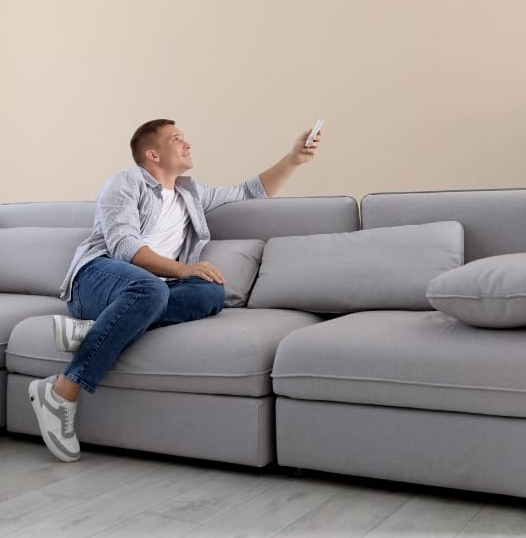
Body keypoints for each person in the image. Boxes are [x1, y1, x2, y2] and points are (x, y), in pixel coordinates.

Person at [28, 118, 323, 462]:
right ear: (152, 153)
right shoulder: (126, 182)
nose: (187, 144)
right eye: (176, 138)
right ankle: (63, 392)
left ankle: (98, 329)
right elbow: (124, 247)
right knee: (152, 288)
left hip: (147, 292)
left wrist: (293, 158)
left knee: (211, 292)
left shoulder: (191, 193)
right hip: (96, 279)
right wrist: (183, 269)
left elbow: (248, 192)